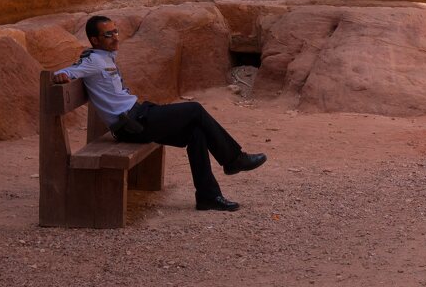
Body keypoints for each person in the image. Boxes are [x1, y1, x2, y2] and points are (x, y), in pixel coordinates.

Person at [53, 15, 266, 212]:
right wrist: (62, 75)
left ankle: (208, 196)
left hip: (138, 115)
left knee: (196, 132)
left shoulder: (106, 57)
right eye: (108, 34)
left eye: (116, 32)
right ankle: (234, 159)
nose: (115, 37)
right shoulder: (94, 61)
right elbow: (70, 70)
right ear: (95, 40)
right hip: (131, 125)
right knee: (194, 110)